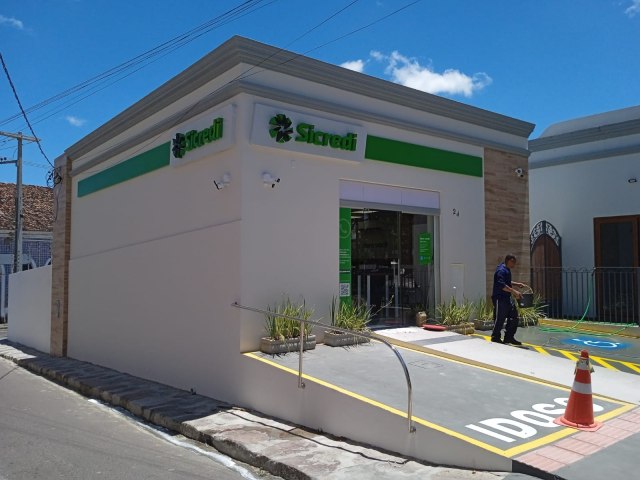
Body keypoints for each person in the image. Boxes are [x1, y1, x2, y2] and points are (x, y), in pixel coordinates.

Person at [491, 254, 525, 345]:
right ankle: (495, 337)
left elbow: (507, 282)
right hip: (500, 298)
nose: (514, 264)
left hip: (507, 298)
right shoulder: (501, 271)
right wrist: (514, 292)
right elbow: (502, 285)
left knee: (514, 316)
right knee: (500, 318)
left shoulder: (506, 269)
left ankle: (509, 337)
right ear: (509, 261)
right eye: (513, 262)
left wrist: (517, 284)